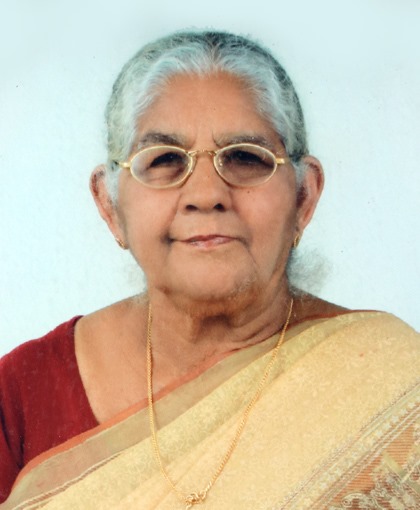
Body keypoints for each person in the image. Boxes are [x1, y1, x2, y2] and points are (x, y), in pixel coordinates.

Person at [0, 30, 418, 510]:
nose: (206, 194)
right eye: (164, 160)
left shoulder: (396, 383)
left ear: (304, 197)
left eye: (245, 157)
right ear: (109, 204)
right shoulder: (21, 394)